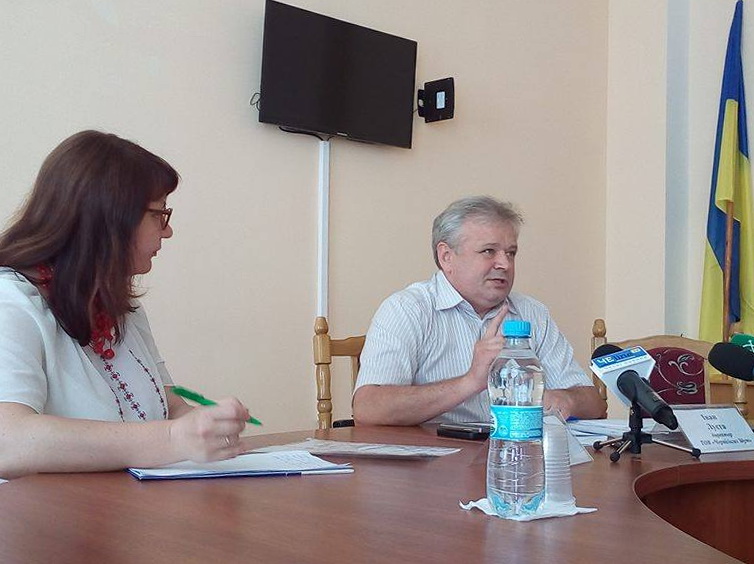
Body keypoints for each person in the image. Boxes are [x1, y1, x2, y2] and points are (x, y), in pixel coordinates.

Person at [0, 130, 251, 479]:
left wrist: (203, 424)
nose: (167, 231)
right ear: (111, 218)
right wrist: (173, 438)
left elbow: (169, 405)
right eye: (159, 214)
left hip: (124, 505)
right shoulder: (10, 303)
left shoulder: (119, 305)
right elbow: (8, 441)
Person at [353, 195, 607, 426]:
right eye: (488, 251)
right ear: (446, 256)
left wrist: (565, 399)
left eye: (511, 253)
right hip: (436, 457)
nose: (504, 264)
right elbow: (368, 408)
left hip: (517, 453)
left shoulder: (533, 313)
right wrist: (470, 382)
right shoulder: (407, 309)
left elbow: (593, 403)